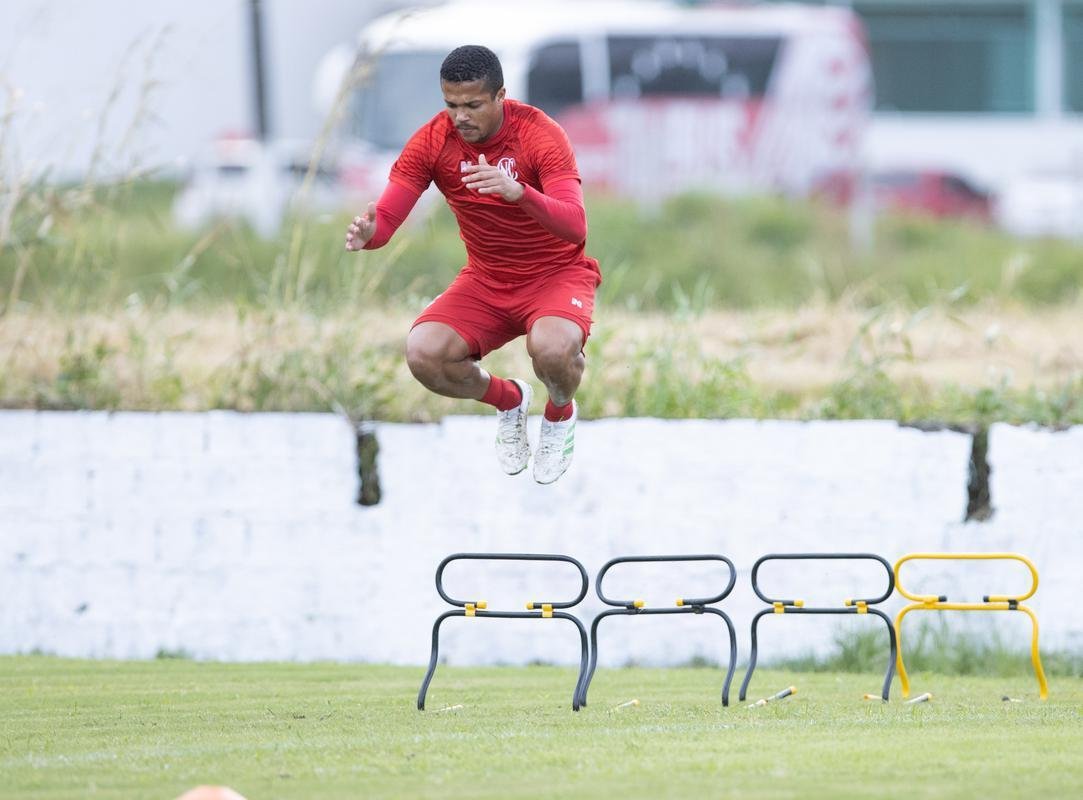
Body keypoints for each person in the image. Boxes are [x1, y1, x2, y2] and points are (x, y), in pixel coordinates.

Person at [345, 44, 600, 485]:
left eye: (473, 105)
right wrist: (371, 235)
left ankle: (559, 414)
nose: (461, 116)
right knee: (424, 354)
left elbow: (575, 225)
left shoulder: (540, 134)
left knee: (553, 350)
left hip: (555, 275)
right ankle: (509, 401)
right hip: (487, 280)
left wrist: (519, 192)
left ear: (501, 95)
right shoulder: (432, 140)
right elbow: (386, 217)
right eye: (451, 104)